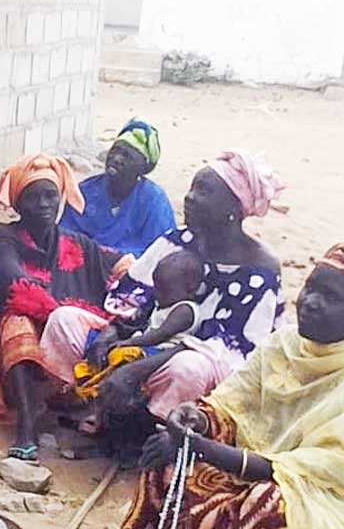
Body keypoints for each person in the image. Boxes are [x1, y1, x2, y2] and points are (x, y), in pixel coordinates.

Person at [92, 245, 344, 529]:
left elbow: (305, 471)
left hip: (318, 500)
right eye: (311, 288)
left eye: (331, 298)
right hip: (253, 468)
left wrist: (202, 446)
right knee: (169, 459)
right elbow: (230, 404)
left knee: (268, 505)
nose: (311, 302)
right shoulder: (283, 345)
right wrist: (195, 419)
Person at [45, 150, 284, 425]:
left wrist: (138, 368)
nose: (190, 197)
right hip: (142, 342)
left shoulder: (260, 269)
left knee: (188, 370)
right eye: (192, 188)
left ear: (233, 208)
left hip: (183, 362)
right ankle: (86, 401)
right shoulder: (178, 240)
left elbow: (228, 353)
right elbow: (133, 298)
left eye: (204, 191)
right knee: (65, 320)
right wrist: (111, 333)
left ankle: (154, 429)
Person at [0, 154, 125, 462]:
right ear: (18, 204)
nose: (43, 204)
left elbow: (119, 268)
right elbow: (12, 281)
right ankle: (26, 427)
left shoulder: (76, 244)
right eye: (33, 197)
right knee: (17, 319)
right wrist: (58, 315)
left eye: (50, 196)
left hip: (56, 356)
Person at [73, 249, 205, 400]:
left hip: (158, 353)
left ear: (191, 290)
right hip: (144, 345)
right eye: (156, 287)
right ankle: (86, 378)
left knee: (124, 355)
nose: (157, 294)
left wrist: (129, 342)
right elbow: (135, 325)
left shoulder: (184, 310)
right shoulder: (163, 302)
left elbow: (159, 335)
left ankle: (96, 389)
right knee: (96, 342)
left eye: (165, 291)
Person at [60, 119, 176, 257]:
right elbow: (64, 239)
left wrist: (116, 258)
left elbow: (160, 252)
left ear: (142, 168)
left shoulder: (154, 201)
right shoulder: (84, 192)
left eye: (127, 156)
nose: (116, 159)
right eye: (114, 151)